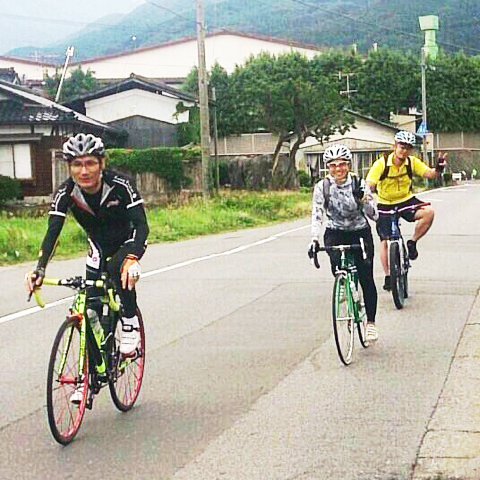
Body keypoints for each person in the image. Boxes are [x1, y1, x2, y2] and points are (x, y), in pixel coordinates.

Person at [25, 133, 149, 360]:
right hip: (98, 245)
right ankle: (96, 363)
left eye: (90, 163)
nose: (84, 171)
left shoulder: (120, 184)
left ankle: (130, 322)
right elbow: (53, 232)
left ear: (102, 164)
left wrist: (133, 256)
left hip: (128, 240)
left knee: (117, 269)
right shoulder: (65, 192)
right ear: (69, 167)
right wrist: (39, 269)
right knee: (90, 304)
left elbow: (142, 225)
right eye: (77, 164)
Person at [308, 144, 379, 342]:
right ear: (327, 167)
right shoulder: (322, 187)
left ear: (348, 165)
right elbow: (317, 214)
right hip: (335, 231)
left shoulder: (359, 183)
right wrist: (314, 239)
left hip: (359, 231)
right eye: (333, 165)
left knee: (366, 277)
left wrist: (363, 199)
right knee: (338, 266)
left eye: (341, 164)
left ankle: (370, 323)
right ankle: (344, 286)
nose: (338, 169)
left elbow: (374, 215)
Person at [365, 130, 447, 291]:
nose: (404, 151)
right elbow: (370, 183)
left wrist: (438, 168)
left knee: (429, 212)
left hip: (406, 200)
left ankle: (412, 243)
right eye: (402, 147)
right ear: (394, 146)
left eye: (408, 148)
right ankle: (388, 276)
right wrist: (365, 192)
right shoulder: (381, 164)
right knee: (384, 240)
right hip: (385, 203)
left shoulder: (411, 162)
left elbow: (430, 174)